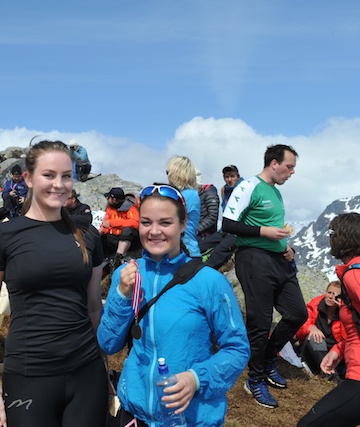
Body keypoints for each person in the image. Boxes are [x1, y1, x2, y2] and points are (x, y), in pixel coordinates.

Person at [0, 140, 107, 427]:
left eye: (66, 176)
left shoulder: (88, 235)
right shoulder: (3, 237)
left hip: (87, 374)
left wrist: (104, 365)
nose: (59, 184)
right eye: (49, 175)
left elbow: (94, 307)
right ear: (28, 178)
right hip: (28, 376)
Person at [97, 184, 249, 427]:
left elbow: (237, 349)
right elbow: (108, 343)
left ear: (183, 224)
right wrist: (122, 295)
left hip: (189, 418)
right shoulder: (127, 275)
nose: (154, 231)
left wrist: (195, 379)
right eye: (146, 222)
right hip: (133, 413)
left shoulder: (209, 282)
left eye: (165, 223)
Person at [222, 144, 307, 408]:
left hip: (280, 259)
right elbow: (227, 223)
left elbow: (274, 228)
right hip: (254, 259)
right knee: (260, 322)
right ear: (273, 163)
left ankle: (268, 359)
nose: (292, 172)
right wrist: (263, 232)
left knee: (297, 313)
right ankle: (255, 379)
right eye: (289, 166)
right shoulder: (248, 186)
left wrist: (287, 247)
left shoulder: (276, 192)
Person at [298, 212, 360, 427]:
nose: (330, 238)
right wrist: (338, 350)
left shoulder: (353, 275)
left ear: (345, 237)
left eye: (333, 233)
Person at [295, 280, 346, 376]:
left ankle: (332, 371)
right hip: (314, 349)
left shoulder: (345, 313)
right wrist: (310, 327)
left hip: (334, 354)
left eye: (334, 295)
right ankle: (329, 375)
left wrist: (344, 312)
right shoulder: (315, 305)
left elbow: (348, 338)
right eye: (329, 292)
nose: (330, 297)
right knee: (315, 338)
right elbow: (300, 328)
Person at [199, 164, 243, 269]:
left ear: (238, 176)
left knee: (219, 252)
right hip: (225, 229)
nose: (229, 179)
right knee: (202, 245)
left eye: (232, 176)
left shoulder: (244, 189)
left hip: (239, 231)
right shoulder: (224, 190)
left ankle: (205, 271)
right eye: (227, 177)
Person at [166, 156, 201, 257]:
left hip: (186, 252)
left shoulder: (186, 196)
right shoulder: (190, 193)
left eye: (168, 172)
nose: (167, 176)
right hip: (182, 251)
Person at [99, 187, 140, 269]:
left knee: (127, 231)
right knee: (100, 238)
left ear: (114, 200)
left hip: (131, 240)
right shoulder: (110, 208)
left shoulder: (130, 207)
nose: (107, 199)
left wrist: (113, 223)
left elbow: (135, 223)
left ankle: (118, 258)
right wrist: (103, 230)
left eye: (109, 197)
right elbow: (106, 223)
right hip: (117, 238)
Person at [196, 169, 219, 239]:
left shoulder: (210, 193)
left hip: (206, 234)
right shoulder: (198, 194)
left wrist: (197, 229)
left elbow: (213, 215)